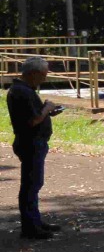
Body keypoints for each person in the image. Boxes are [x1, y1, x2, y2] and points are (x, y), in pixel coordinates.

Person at [8, 56, 63, 241]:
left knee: (34, 184)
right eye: (43, 75)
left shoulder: (24, 90)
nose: (45, 78)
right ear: (32, 74)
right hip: (31, 143)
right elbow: (32, 120)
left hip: (33, 142)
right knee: (31, 185)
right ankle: (30, 227)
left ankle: (35, 221)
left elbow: (34, 116)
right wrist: (47, 108)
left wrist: (48, 112)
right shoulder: (21, 92)